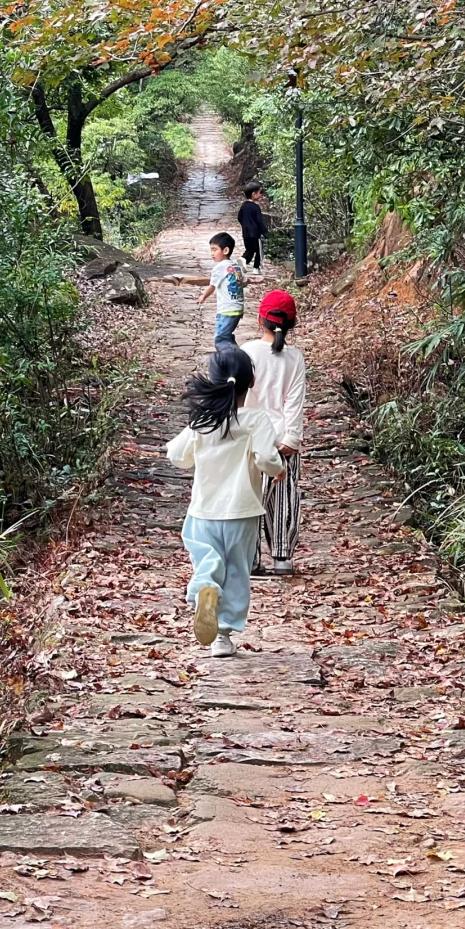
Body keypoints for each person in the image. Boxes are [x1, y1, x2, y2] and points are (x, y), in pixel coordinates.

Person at [168, 346, 285, 656]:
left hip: (203, 512)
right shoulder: (255, 420)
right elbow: (267, 459)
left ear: (215, 381)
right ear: (250, 384)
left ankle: (204, 588)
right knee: (236, 571)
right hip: (242, 513)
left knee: (206, 559)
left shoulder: (203, 420)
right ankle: (222, 637)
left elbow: (177, 457)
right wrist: (278, 470)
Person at [242, 289, 306, 576]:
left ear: (259, 319)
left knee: (249, 495)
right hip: (281, 437)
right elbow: (295, 400)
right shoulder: (295, 358)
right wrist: (292, 437)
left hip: (249, 437)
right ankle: (282, 557)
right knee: (284, 497)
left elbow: (239, 397)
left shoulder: (246, 352)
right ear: (292, 323)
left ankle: (251, 558)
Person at [196, 231, 246, 344]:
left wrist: (203, 296)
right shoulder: (236, 266)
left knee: (220, 338)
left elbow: (212, 286)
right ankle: (235, 356)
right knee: (227, 336)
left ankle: (230, 359)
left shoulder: (219, 268)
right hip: (237, 308)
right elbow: (244, 282)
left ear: (225, 250)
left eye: (214, 249)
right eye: (211, 250)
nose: (212, 253)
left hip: (227, 309)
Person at [238, 183, 269, 273]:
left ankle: (243, 261)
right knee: (258, 251)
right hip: (255, 234)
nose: (260, 195)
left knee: (250, 249)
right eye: (259, 193)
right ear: (253, 194)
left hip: (246, 233)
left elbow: (239, 217)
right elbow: (259, 221)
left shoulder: (243, 206)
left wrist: (245, 225)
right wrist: (265, 232)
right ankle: (256, 268)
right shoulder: (255, 207)